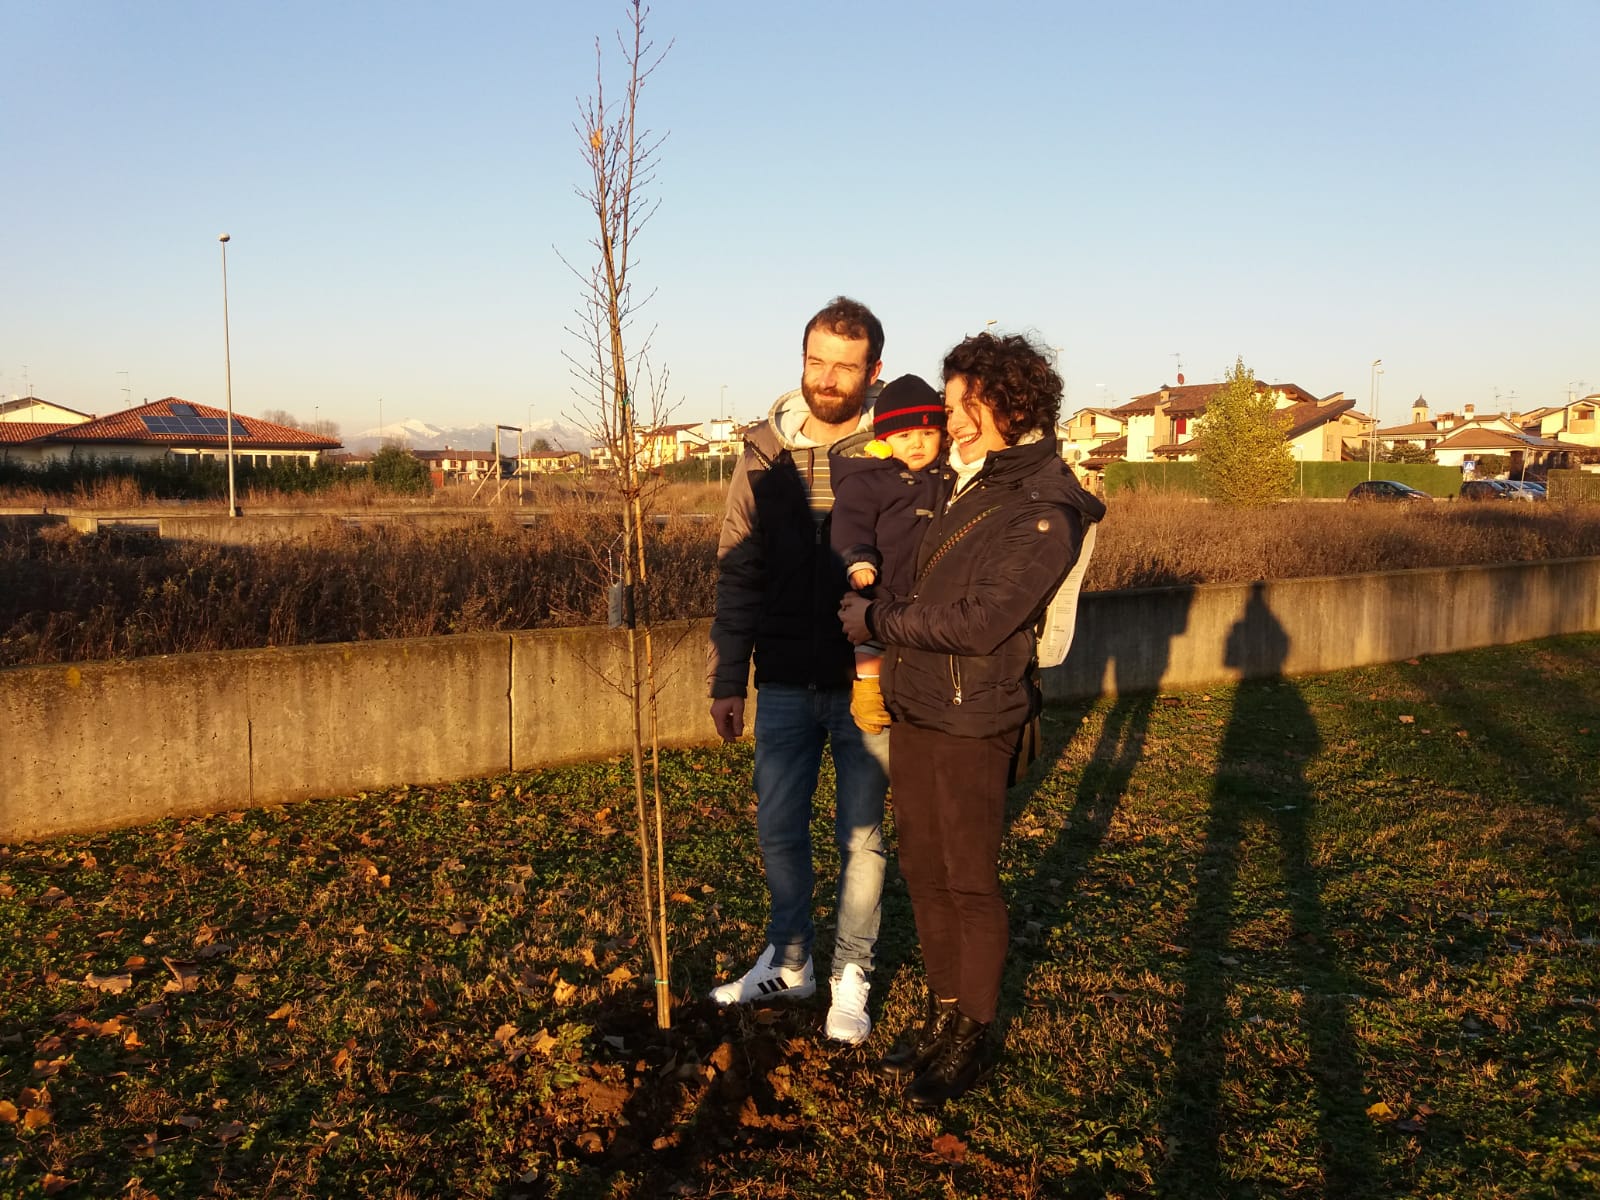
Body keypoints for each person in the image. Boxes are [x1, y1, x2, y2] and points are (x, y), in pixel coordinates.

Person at [840, 331, 1106, 1106]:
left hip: (973, 713)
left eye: (966, 404)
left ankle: (971, 1038)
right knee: (923, 869)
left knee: (968, 881)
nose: (950, 420)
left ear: (1011, 403)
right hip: (920, 702)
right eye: (951, 405)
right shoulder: (974, 484)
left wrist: (879, 620)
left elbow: (985, 620)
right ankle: (941, 1012)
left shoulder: (1046, 503)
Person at [706, 296, 892, 1045]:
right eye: (817, 361)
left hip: (868, 684)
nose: (828, 378)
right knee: (779, 831)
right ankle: (790, 961)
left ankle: (851, 974)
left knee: (863, 839)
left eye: (846, 366)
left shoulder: (899, 454)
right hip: (782, 678)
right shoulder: (762, 455)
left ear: (872, 371)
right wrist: (728, 678)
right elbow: (737, 571)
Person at [828, 374, 949, 734]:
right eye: (905, 435)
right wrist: (858, 560)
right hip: (882, 581)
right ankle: (866, 693)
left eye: (928, 434)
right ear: (883, 441)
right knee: (870, 641)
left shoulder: (948, 476)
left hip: (927, 592)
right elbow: (850, 522)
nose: (918, 444)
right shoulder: (868, 480)